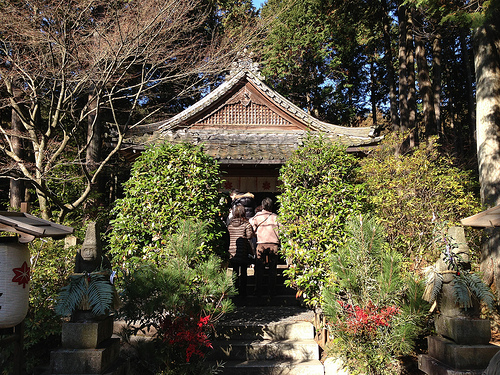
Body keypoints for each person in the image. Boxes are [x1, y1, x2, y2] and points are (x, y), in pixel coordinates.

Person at [251, 197, 280, 297]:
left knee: (259, 269)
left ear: (262, 206)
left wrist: (257, 234)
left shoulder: (257, 217)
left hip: (261, 243)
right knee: (273, 269)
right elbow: (282, 232)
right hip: (274, 244)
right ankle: (272, 290)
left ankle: (258, 290)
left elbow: (252, 230)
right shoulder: (276, 217)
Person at [227, 204, 255, 297]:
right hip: (243, 251)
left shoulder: (230, 225)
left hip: (232, 251)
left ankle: (235, 290)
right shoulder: (246, 224)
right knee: (243, 272)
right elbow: (249, 236)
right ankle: (243, 292)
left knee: (234, 272)